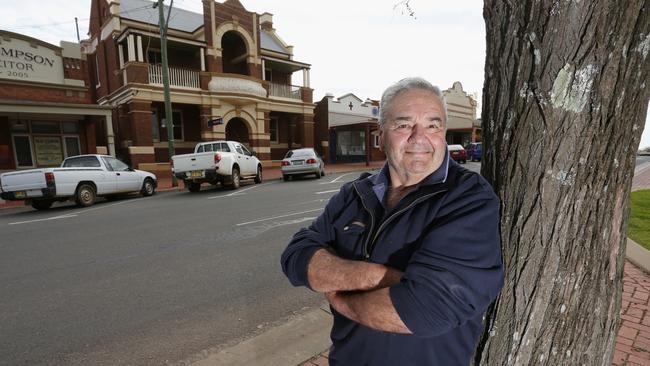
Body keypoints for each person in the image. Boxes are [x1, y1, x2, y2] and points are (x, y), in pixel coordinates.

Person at [281, 77, 503, 365]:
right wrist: (381, 278)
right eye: (403, 124)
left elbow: (428, 310)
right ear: (381, 134)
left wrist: (340, 296)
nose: (419, 137)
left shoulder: (468, 198)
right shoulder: (355, 195)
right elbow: (296, 257)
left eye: (433, 125)